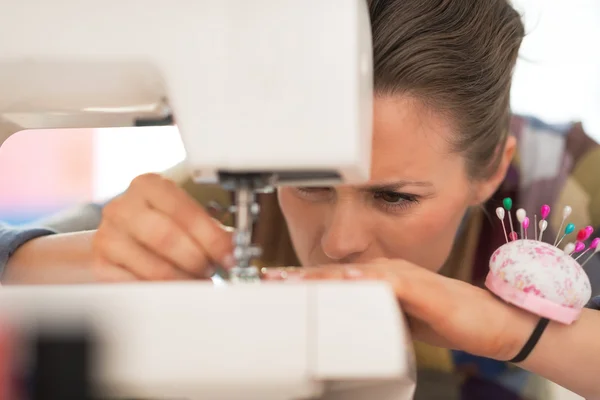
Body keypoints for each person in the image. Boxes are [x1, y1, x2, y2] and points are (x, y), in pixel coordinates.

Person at [1, 0, 599, 398]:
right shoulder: (245, 184)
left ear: (493, 170)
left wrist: (510, 333)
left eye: (393, 196)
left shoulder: (573, 190)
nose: (338, 242)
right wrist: (96, 256)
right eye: (309, 184)